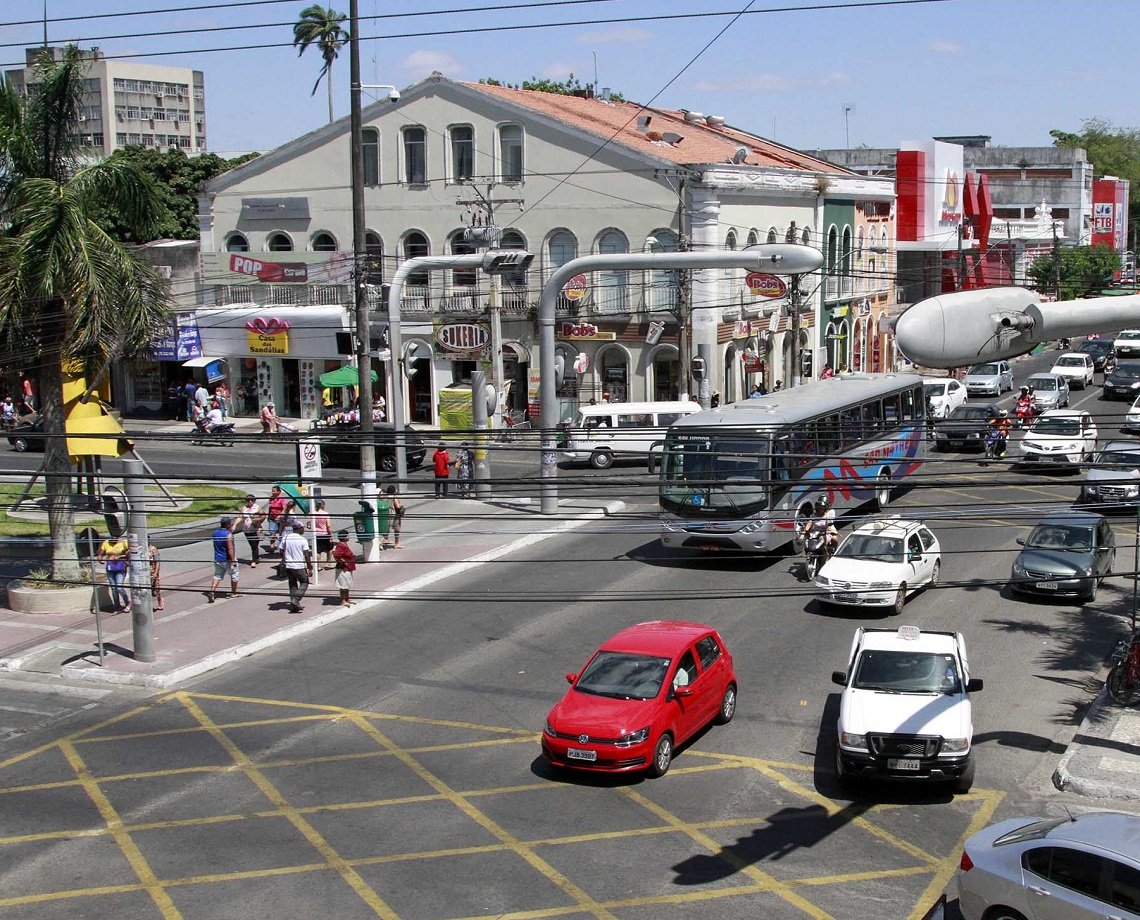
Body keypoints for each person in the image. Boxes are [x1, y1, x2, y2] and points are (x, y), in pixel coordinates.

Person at [281, 521, 313, 613]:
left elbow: (281, 550)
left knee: (292, 585)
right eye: (302, 528)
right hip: (298, 566)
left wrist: (285, 559)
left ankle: (294, 606)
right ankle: (296, 599)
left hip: (288, 566)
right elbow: (307, 555)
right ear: (299, 529)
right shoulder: (302, 540)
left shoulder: (286, 538)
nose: (303, 530)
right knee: (305, 582)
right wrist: (310, 567)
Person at [208, 515, 239, 603]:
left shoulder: (215, 533)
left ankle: (212, 591)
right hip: (227, 559)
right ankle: (233, 593)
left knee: (217, 575)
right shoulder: (228, 535)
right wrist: (233, 560)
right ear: (228, 524)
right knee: (234, 574)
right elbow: (230, 548)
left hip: (218, 558)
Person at [97, 534, 130, 613]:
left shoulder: (124, 543)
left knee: (119, 587)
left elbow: (130, 553)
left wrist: (121, 556)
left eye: (116, 537)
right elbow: (100, 554)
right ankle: (117, 606)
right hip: (110, 568)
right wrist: (100, 559)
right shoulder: (106, 543)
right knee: (113, 588)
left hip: (120, 567)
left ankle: (127, 602)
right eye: (112, 538)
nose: (114, 539)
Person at [237, 493, 265, 567]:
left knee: (254, 545)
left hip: (255, 529)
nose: (249, 501)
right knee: (252, 544)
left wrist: (257, 520)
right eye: (248, 500)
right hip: (246, 530)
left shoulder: (257, 508)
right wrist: (234, 525)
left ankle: (254, 561)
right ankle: (257, 557)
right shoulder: (244, 508)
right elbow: (240, 517)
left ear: (254, 500)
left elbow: (263, 516)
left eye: (251, 500)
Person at [332, 530, 356, 606]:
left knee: (347, 583)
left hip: (348, 567)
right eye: (347, 536)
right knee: (343, 584)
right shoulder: (341, 545)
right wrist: (343, 563)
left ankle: (347, 598)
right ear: (344, 537)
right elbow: (336, 555)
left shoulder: (344, 544)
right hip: (343, 568)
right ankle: (343, 600)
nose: (348, 537)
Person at [265, 485, 289, 553]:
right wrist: (269, 516)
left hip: (280, 519)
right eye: (272, 491)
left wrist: (280, 515)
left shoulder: (282, 499)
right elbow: (270, 507)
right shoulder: (271, 498)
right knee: (272, 532)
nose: (272, 492)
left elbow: (285, 508)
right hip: (272, 518)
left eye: (274, 491)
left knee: (281, 533)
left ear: (279, 492)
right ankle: (272, 546)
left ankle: (282, 547)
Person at [313, 499, 333, 569]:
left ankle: (318, 566)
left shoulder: (313, 514)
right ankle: (328, 563)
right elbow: (328, 526)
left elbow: (309, 524)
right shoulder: (326, 514)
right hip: (325, 534)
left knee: (318, 551)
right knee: (329, 548)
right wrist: (330, 535)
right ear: (323, 505)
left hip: (316, 534)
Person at [384, 485, 404, 549]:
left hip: (387, 515)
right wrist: (401, 505)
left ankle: (383, 542)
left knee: (386, 530)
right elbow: (397, 506)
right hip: (395, 516)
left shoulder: (386, 497)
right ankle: (397, 544)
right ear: (394, 491)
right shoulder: (394, 497)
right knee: (397, 530)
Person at [148, 542, 164, 611]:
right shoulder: (141, 549)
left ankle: (160, 601)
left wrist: (156, 572)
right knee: (147, 590)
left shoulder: (153, 549)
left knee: (156, 588)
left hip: (153, 571)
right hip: (145, 572)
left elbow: (157, 561)